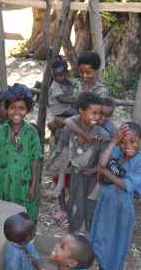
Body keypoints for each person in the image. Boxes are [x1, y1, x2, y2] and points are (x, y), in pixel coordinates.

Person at [47, 92, 108, 232]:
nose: (97, 117)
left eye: (99, 113)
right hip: (76, 175)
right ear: (81, 110)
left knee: (90, 207)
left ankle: (88, 239)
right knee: (75, 204)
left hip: (93, 178)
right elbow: (64, 152)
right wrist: (61, 177)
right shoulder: (70, 128)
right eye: (93, 113)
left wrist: (93, 171)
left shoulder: (102, 134)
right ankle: (73, 236)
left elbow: (105, 160)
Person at [90, 122, 141, 270]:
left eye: (132, 141)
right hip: (106, 202)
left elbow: (124, 185)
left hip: (123, 208)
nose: (127, 146)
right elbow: (102, 162)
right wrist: (114, 141)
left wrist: (105, 172)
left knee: (117, 241)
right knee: (101, 236)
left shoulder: (140, 161)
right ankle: (100, 264)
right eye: (123, 142)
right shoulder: (117, 152)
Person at [0, 84, 42, 222]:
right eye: (12, 107)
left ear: (27, 110)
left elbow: (35, 160)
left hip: (24, 183)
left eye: (21, 108)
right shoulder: (0, 132)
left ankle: (23, 242)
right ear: (7, 108)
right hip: (3, 182)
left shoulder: (32, 133)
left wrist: (34, 186)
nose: (16, 112)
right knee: (4, 216)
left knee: (24, 218)